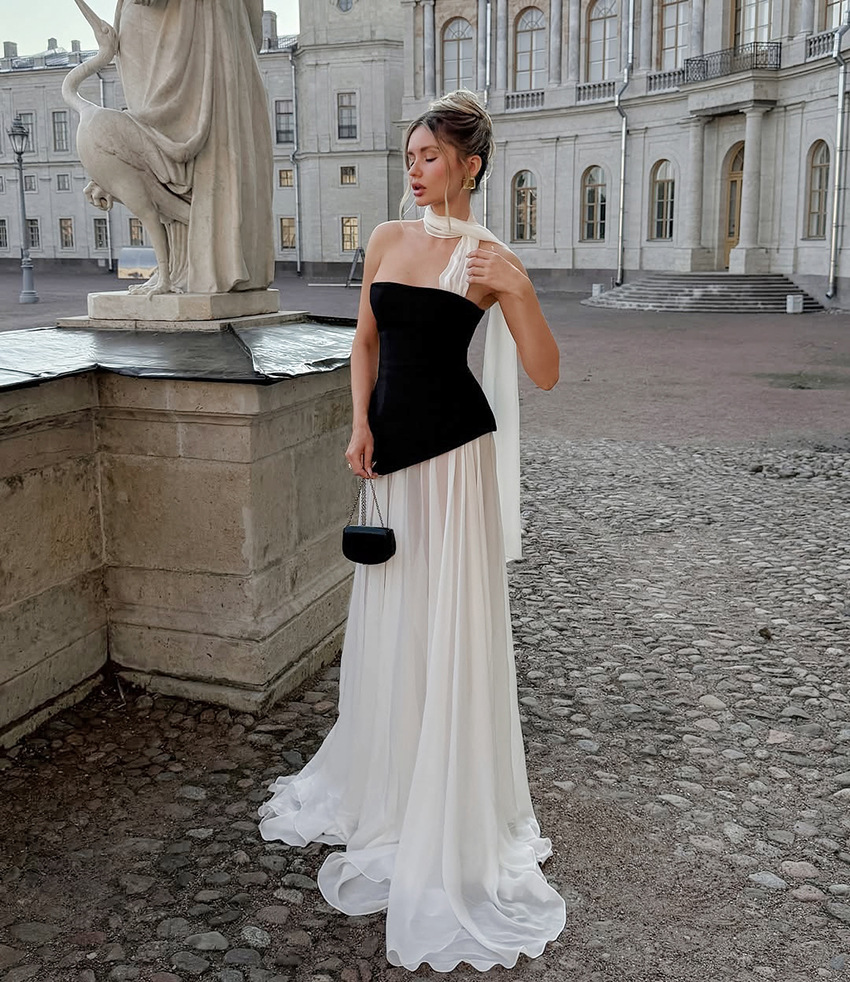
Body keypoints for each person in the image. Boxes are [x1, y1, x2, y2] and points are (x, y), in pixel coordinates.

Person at [258, 90, 566, 972]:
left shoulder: (492, 257)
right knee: (395, 617)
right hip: (392, 456)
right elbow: (366, 343)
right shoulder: (389, 239)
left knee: (447, 620)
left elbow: (544, 373)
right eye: (410, 156)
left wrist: (519, 287)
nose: (416, 168)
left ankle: (448, 787)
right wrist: (358, 425)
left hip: (457, 462)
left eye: (430, 156)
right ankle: (392, 774)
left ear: (470, 165)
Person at [112, 0, 274, 294]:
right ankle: (182, 266)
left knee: (195, 135)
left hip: (196, 20)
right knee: (172, 138)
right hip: (193, 21)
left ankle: (201, 266)